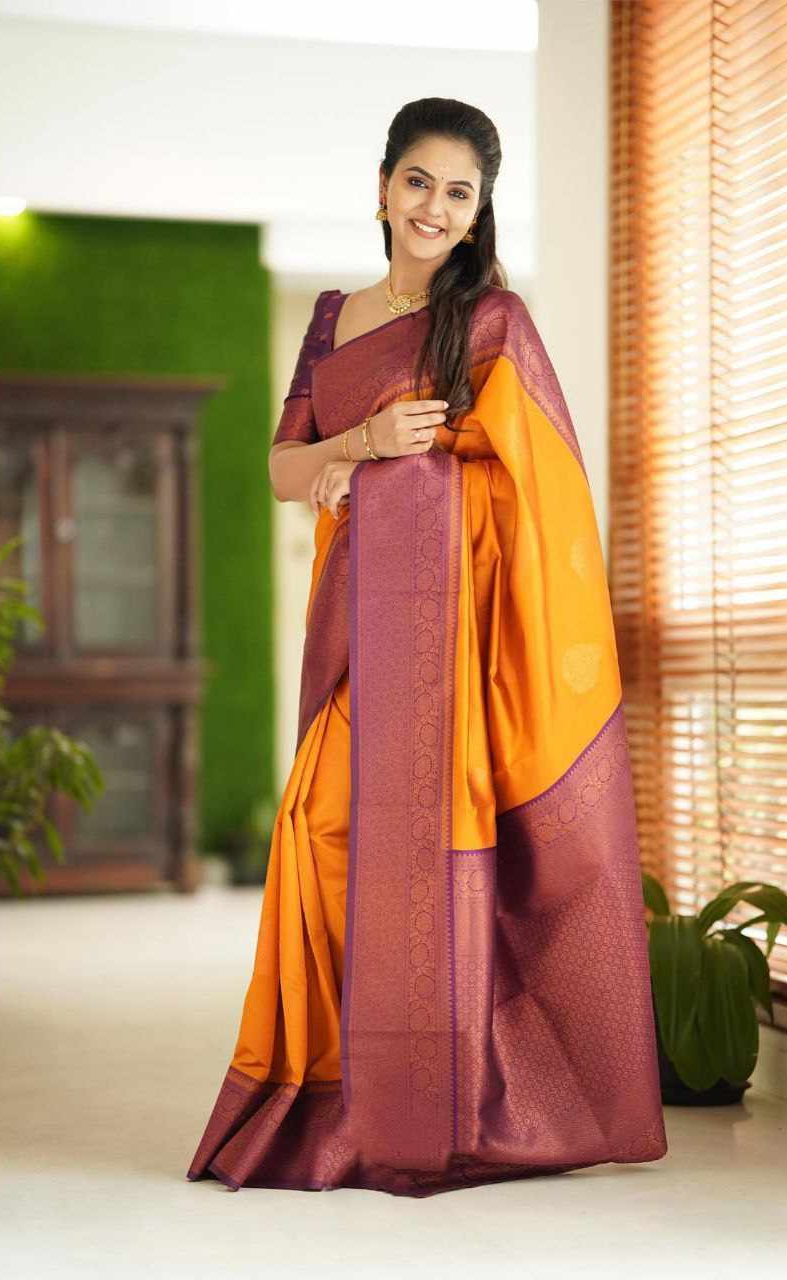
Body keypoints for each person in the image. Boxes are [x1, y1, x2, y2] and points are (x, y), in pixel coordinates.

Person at [186, 97, 668, 1198]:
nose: (434, 208)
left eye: (459, 192)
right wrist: (363, 444)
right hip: (357, 621)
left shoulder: (492, 322)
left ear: (478, 208)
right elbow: (285, 467)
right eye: (419, 182)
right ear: (383, 186)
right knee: (319, 828)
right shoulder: (333, 318)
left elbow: (544, 488)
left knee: (423, 847)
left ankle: (425, 1094)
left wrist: (430, 467)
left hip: (451, 641)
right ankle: (325, 1083)